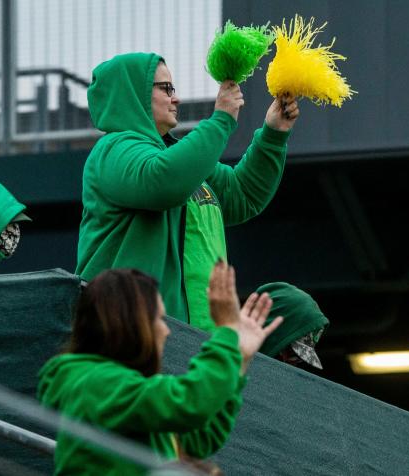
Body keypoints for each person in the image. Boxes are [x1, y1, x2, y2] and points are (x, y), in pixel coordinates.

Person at [75, 52, 327, 365]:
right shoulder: (115, 149)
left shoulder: (177, 156)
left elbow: (241, 195)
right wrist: (221, 119)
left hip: (188, 343)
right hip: (127, 339)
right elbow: (162, 181)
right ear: (133, 93)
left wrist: (273, 134)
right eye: (165, 88)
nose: (176, 98)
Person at [38, 261, 283, 475]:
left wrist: (239, 360)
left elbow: (200, 439)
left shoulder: (124, 391)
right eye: (159, 319)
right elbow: (191, 402)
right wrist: (226, 332)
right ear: (131, 324)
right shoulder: (89, 383)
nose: (166, 331)